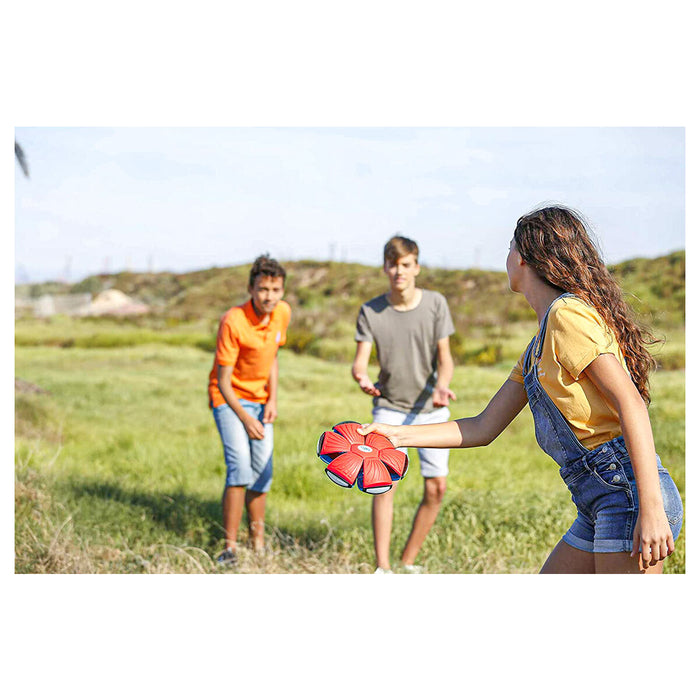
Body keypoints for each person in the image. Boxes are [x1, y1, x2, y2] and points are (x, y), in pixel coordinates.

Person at [359, 206, 683, 574]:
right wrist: (396, 435)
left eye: (510, 247)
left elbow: (631, 404)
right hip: (599, 498)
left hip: (627, 495)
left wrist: (650, 509)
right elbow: (482, 427)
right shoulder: (536, 350)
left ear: (525, 259)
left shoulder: (566, 317)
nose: (507, 256)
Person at [352, 235, 457, 574]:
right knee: (383, 484)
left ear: (416, 268)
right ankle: (383, 568)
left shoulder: (436, 303)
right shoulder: (370, 311)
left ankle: (408, 561)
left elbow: (446, 358)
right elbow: (360, 362)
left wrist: (442, 386)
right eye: (393, 264)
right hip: (389, 408)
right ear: (385, 267)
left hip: (432, 409)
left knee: (436, 488)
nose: (399, 271)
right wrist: (362, 377)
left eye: (406, 265)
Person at [208, 254, 291, 565]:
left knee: (263, 471)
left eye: (275, 289)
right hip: (228, 398)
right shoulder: (233, 320)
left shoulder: (282, 313)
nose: (269, 296)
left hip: (260, 399)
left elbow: (273, 358)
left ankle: (258, 543)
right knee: (240, 468)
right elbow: (222, 381)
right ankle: (229, 548)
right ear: (251, 289)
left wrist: (272, 400)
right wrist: (245, 419)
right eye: (263, 289)